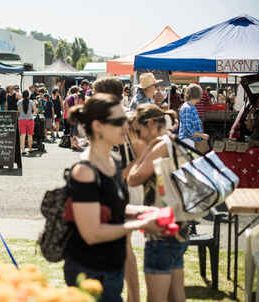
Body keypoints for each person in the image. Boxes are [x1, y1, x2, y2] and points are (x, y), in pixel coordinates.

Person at [64, 93, 162, 302]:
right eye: (118, 122)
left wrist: (143, 211)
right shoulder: (85, 171)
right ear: (98, 126)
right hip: (90, 272)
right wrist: (140, 224)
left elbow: (111, 207)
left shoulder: (111, 162)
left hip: (111, 266)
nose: (125, 127)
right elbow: (92, 232)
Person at [126, 104, 187, 302]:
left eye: (138, 130)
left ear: (151, 124)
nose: (138, 135)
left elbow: (133, 179)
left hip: (161, 229)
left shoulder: (160, 146)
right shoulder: (175, 142)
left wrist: (143, 150)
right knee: (177, 294)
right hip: (180, 226)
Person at [178, 84, 209, 148]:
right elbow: (187, 129)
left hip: (191, 141)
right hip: (188, 142)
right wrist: (201, 135)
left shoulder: (190, 107)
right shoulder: (187, 108)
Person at [18, 90, 37, 155]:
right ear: (28, 95)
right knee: (30, 135)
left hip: (21, 120)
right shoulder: (31, 102)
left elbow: (18, 112)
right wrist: (31, 114)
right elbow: (35, 111)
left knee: (22, 136)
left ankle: (23, 150)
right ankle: (30, 149)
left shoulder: (19, 102)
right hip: (30, 120)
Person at [64, 86, 82, 151]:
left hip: (68, 115)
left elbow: (65, 107)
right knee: (75, 131)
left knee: (71, 130)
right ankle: (76, 145)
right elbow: (76, 105)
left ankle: (72, 145)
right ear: (76, 91)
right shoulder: (75, 96)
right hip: (74, 115)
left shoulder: (67, 97)